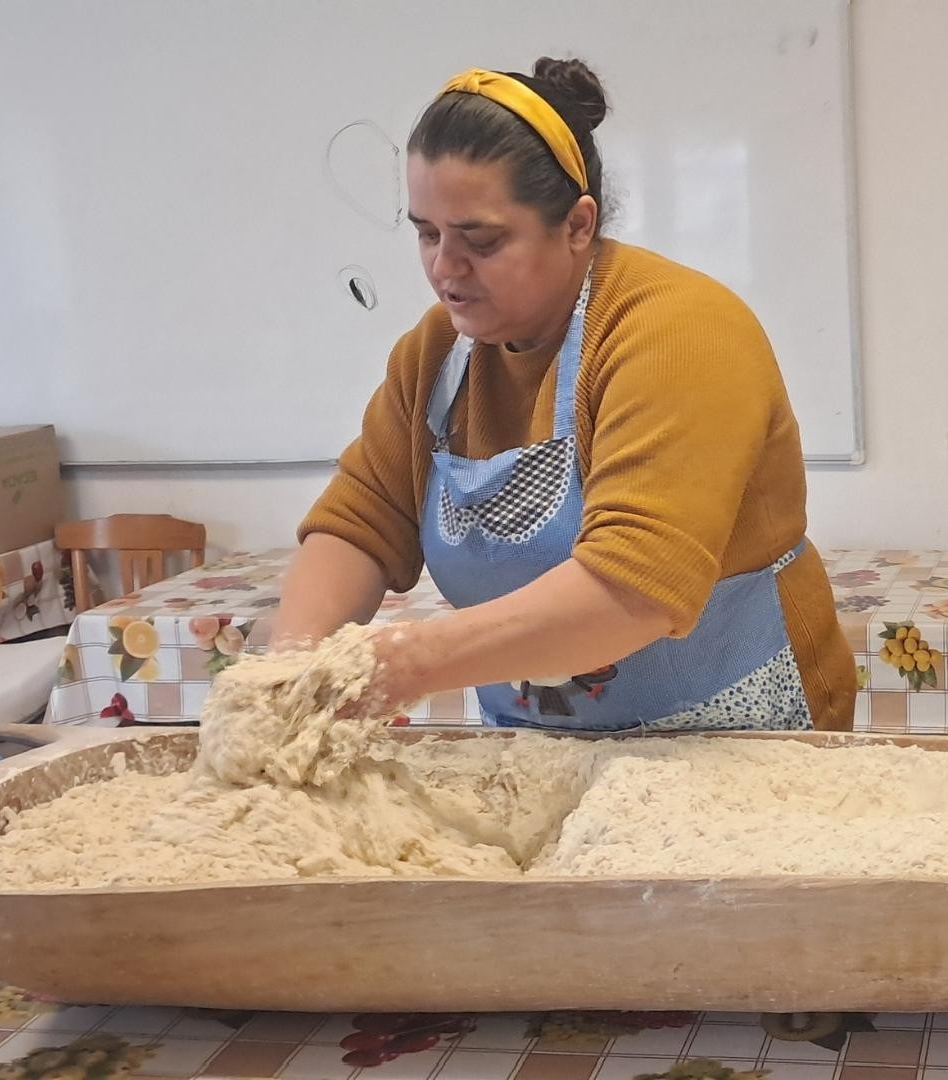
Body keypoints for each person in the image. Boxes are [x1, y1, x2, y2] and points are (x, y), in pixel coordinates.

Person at [274, 57, 854, 732]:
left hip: (731, 731)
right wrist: (292, 671)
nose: (443, 267)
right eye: (427, 234)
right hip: (542, 739)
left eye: (480, 240)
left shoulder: (679, 333)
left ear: (578, 225)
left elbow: (633, 588)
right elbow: (363, 524)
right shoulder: (436, 354)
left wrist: (400, 664)